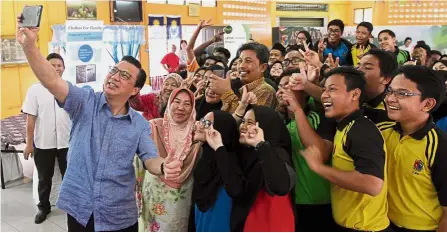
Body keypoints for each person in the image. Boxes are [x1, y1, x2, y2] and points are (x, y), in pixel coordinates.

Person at [16, 19, 182, 231]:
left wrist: (163, 166)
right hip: (80, 207)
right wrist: (29, 46)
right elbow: (52, 81)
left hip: (119, 214)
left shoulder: (138, 124)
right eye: (114, 70)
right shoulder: (85, 101)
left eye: (124, 76)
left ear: (134, 90)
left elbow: (150, 158)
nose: (114, 77)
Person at [299, 67, 390, 231]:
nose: (325, 95)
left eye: (332, 89)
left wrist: (320, 168)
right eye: (325, 89)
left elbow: (372, 184)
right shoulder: (344, 126)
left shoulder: (361, 131)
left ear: (355, 94)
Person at [379, 66, 447, 231]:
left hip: (423, 228)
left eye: (402, 94)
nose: (390, 99)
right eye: (389, 91)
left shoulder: (438, 145)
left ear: (428, 103)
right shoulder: (380, 131)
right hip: (384, 223)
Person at [278, 69, 338, 232]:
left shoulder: (318, 118)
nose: (282, 91)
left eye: (289, 87)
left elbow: (319, 152)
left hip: (318, 203)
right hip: (290, 203)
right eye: (280, 87)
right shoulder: (279, 123)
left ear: (305, 94)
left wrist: (297, 109)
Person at [140, 88, 201, 232]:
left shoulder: (197, 132)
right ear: (169, 103)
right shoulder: (154, 126)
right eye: (177, 102)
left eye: (187, 104)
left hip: (182, 196)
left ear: (192, 108)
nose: (181, 108)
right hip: (154, 191)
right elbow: (141, 156)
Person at [22, 53, 71, 224]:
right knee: (44, 178)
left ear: (64, 68)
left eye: (60, 65)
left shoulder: (69, 88)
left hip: (67, 143)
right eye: (53, 65)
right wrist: (29, 144)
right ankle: (43, 207)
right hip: (44, 143)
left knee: (70, 176)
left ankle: (72, 206)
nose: (57, 68)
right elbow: (30, 119)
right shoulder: (34, 90)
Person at [231, 105, 296, 231]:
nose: (243, 126)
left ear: (266, 127)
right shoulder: (246, 152)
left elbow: (280, 186)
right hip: (250, 220)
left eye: (250, 123)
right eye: (243, 121)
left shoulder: (276, 152)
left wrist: (261, 144)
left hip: (271, 222)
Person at [189, 110, 240, 232]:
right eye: (202, 120)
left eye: (207, 123)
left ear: (221, 130)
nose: (200, 125)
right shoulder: (205, 155)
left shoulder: (228, 164)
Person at [208, 42, 277, 113]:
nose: (241, 66)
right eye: (240, 61)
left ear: (262, 67)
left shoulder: (266, 91)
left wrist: (226, 93)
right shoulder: (238, 87)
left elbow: (249, 121)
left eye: (248, 61)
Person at [358, 48, 398, 124]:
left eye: (367, 68)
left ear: (386, 79)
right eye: (358, 66)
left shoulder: (389, 113)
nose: (358, 71)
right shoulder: (352, 97)